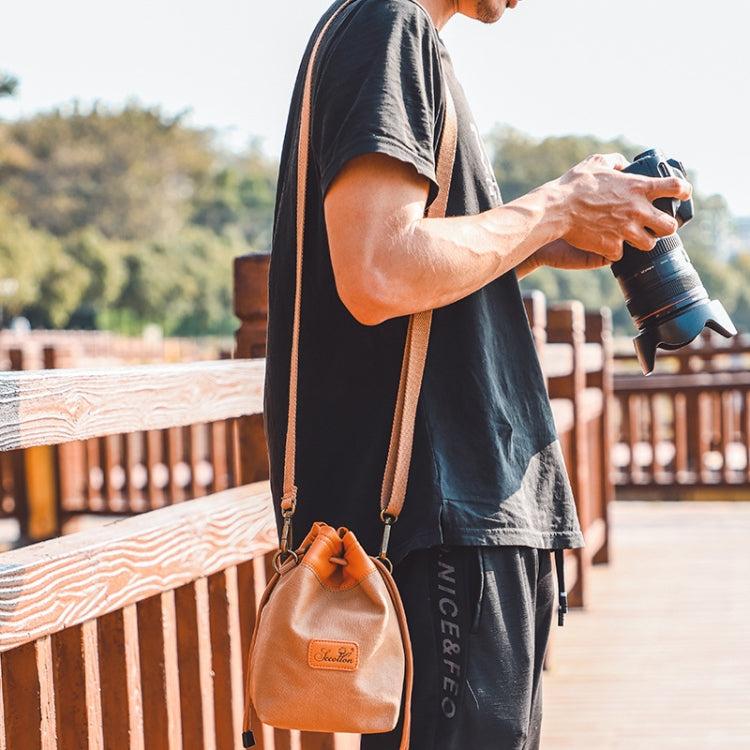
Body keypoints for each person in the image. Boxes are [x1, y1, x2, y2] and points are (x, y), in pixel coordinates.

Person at [263, 0, 691, 748]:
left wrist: (542, 237)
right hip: (439, 525)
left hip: (455, 523)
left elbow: (407, 259)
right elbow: (377, 271)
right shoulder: (386, 26)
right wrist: (555, 206)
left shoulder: (396, 34)